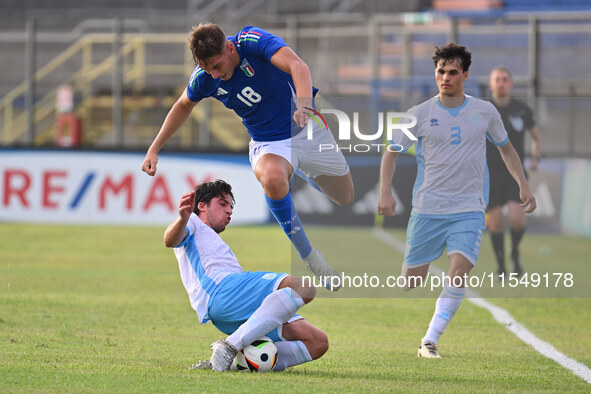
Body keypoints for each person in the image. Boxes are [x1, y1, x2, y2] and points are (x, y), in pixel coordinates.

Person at [142, 23, 354, 289]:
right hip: (268, 144)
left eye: (218, 66)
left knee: (344, 197)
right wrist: (154, 148)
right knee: (274, 178)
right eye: (208, 69)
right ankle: (311, 257)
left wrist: (304, 106)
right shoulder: (204, 78)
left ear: (230, 48)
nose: (215, 75)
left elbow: (298, 66)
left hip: (307, 130)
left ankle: (301, 170)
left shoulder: (252, 41)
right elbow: (183, 105)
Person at [377, 43, 536, 358]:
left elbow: (506, 148)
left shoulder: (484, 111)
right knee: (412, 280)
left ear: (465, 74)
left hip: (469, 209)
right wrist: (384, 191)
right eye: (440, 72)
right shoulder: (419, 114)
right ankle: (417, 265)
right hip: (428, 208)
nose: (445, 77)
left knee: (459, 271)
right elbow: (390, 153)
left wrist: (523, 185)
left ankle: (429, 341)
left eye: (452, 72)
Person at [164, 179, 328, 372]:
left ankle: (234, 364)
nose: (229, 211)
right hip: (222, 292)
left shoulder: (213, 240)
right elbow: (170, 240)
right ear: (201, 206)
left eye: (230, 207)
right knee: (304, 288)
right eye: (222, 204)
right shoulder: (192, 223)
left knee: (317, 342)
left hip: (237, 309)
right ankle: (230, 345)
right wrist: (183, 217)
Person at [486, 66, 542, 277]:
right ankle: (501, 265)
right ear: (491, 84)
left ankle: (515, 253)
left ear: (510, 83)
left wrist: (535, 158)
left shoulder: (522, 109)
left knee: (518, 219)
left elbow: (536, 138)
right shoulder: (484, 110)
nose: (501, 82)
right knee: (497, 220)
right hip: (491, 171)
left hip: (515, 172)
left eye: (504, 79)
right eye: (497, 79)